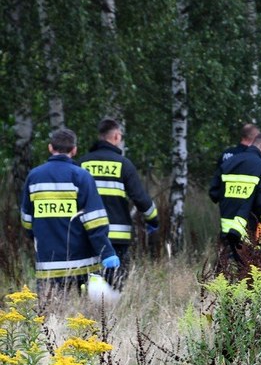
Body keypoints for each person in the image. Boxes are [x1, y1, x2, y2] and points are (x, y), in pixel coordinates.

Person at [20, 128, 118, 295]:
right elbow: (95, 221)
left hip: (48, 262)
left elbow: (27, 220)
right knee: (83, 317)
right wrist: (107, 252)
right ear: (74, 150)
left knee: (49, 313)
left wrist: (40, 238)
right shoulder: (81, 176)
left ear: (50, 148)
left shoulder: (34, 176)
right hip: (82, 262)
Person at [77, 118, 159, 289]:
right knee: (115, 283)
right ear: (115, 136)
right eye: (120, 136)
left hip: (88, 234)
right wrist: (153, 219)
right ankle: (112, 312)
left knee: (89, 280)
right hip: (117, 237)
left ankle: (87, 311)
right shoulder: (123, 164)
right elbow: (140, 197)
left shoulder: (83, 163)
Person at [209, 133, 261, 262]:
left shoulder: (228, 164)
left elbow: (214, 193)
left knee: (226, 271)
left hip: (227, 229)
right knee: (251, 270)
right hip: (252, 231)